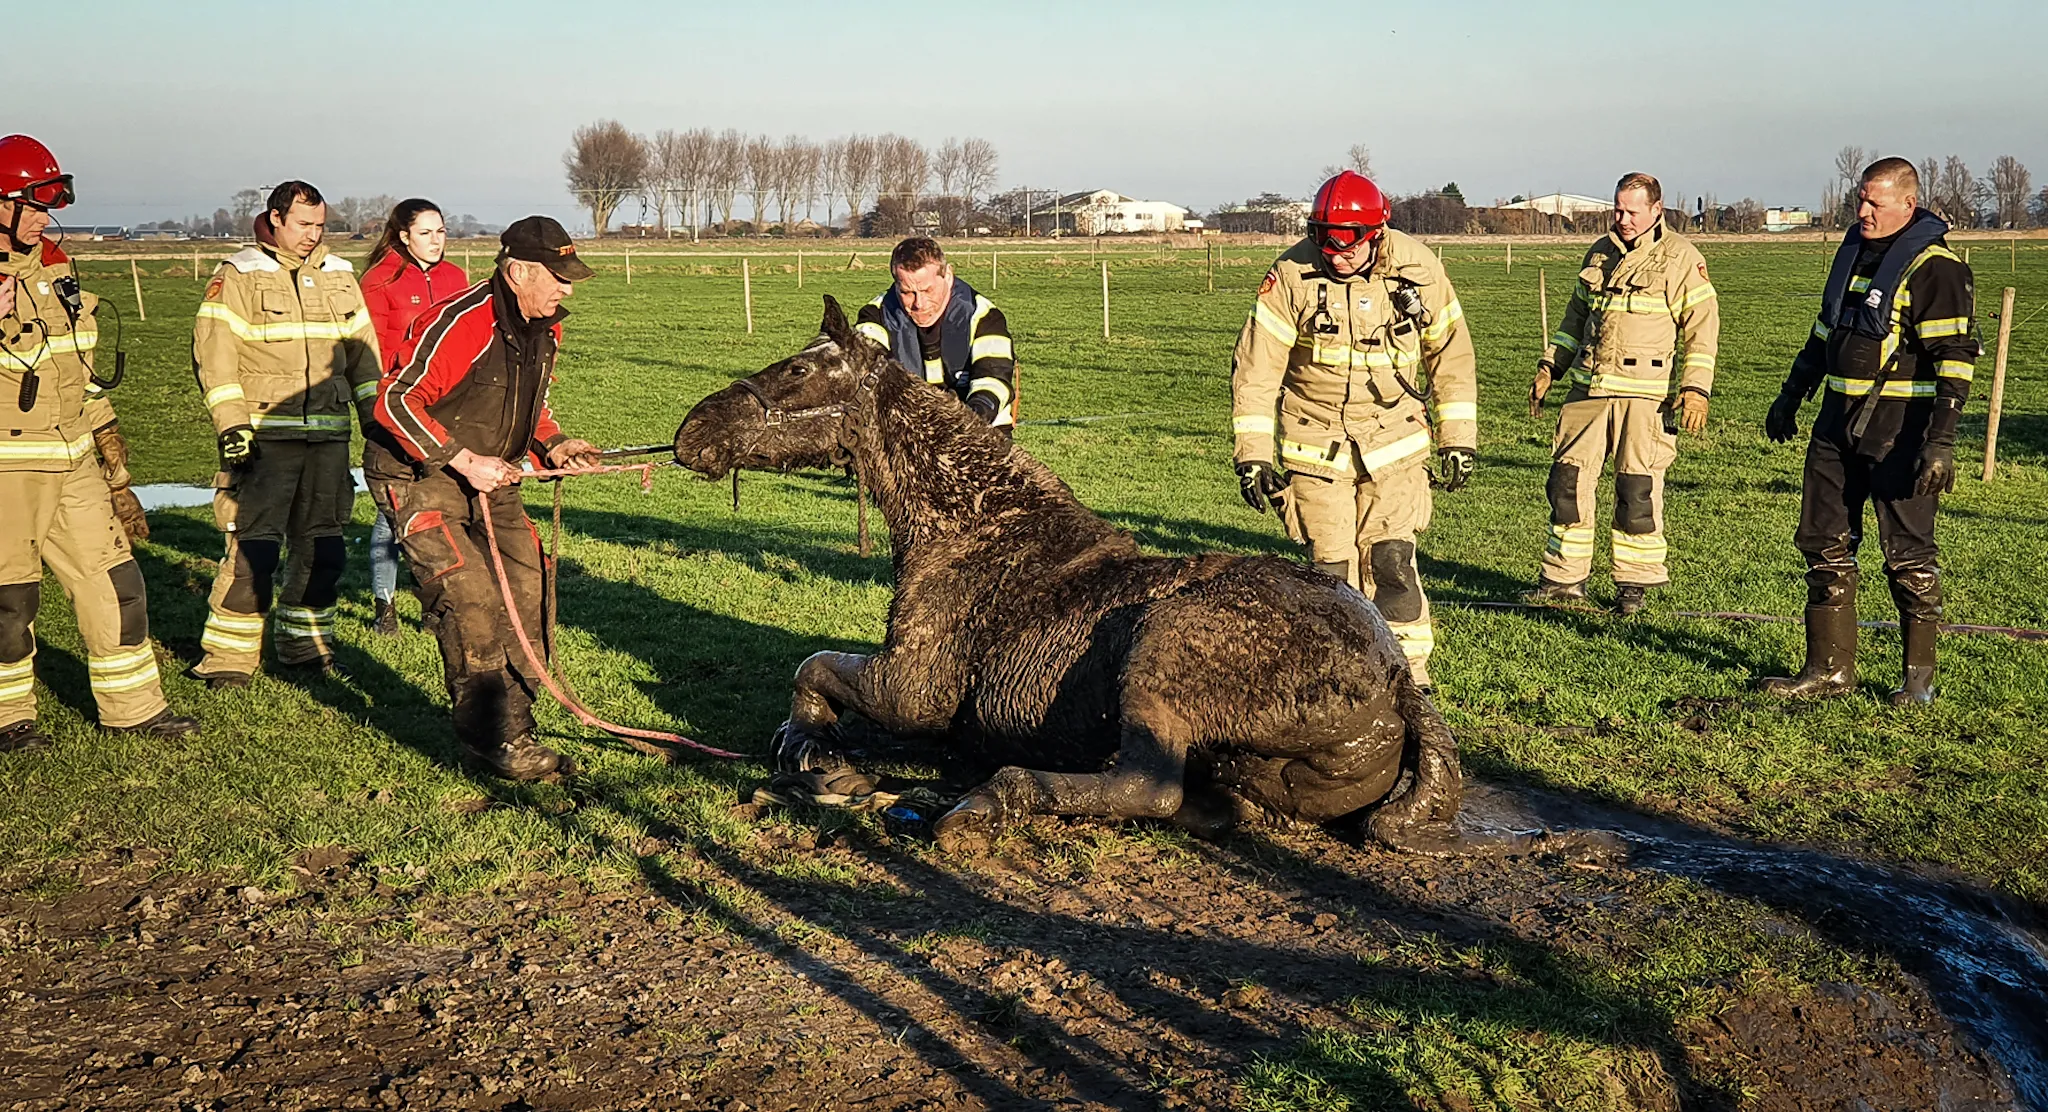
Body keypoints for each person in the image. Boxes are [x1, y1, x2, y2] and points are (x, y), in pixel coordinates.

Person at [367, 216, 600, 780]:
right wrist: (465, 462)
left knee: (527, 588)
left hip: (495, 479)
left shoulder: (547, 329)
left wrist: (555, 443)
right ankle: (490, 741)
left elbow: (530, 409)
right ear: (517, 271)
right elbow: (395, 403)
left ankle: (517, 730)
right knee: (470, 599)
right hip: (419, 475)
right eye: (558, 278)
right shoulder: (461, 323)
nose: (567, 289)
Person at [1230, 171, 1478, 689]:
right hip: (1315, 443)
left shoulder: (1419, 270)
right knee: (1330, 574)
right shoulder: (1292, 275)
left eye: (1347, 244)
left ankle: (1410, 679)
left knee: (1391, 561)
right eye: (1323, 240)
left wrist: (1458, 439)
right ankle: (1336, 679)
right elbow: (1256, 368)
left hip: (1395, 441)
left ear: (1376, 235)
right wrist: (1252, 454)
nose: (1334, 255)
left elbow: (1450, 354)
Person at [0, 134, 197, 749]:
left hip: (74, 458)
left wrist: (113, 453)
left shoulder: (56, 266)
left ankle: (134, 709)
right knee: (10, 600)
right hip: (8, 471)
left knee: (118, 583)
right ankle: (9, 719)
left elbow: (74, 368)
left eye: (50, 202)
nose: (42, 217)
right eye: (31, 203)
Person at [1760, 158, 1977, 706]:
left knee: (1908, 554)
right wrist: (1791, 394)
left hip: (1901, 429)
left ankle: (1917, 682)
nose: (1863, 212)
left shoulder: (1937, 268)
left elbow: (1955, 357)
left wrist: (1941, 440)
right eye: (1860, 200)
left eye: (1875, 203)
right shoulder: (1853, 254)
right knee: (1823, 543)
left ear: (1908, 203)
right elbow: (1824, 330)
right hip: (1836, 422)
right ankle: (1827, 672)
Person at [190, 181, 380, 687]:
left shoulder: (340, 274)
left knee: (325, 551)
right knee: (256, 551)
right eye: (303, 225)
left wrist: (374, 419)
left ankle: (306, 649)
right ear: (274, 218)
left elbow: (363, 352)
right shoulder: (239, 273)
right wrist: (232, 426)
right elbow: (215, 353)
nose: (313, 236)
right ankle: (228, 660)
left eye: (320, 225)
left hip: (329, 439)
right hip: (264, 439)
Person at [1525, 172, 1720, 614]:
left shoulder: (1681, 258)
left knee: (1637, 491)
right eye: (1618, 209)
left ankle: (1633, 587)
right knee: (1566, 485)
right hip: (1587, 391)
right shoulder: (1600, 252)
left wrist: (1695, 390)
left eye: (1632, 211)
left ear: (1657, 209)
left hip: (1645, 398)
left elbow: (1703, 331)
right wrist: (1549, 367)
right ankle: (1562, 580)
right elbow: (1575, 317)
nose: (1623, 219)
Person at [360, 198, 467, 636]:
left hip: (445, 410)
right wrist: (378, 411)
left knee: (441, 506)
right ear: (404, 236)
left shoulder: (456, 277)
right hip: (396, 409)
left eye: (441, 231)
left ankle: (435, 604)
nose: (436, 240)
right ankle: (384, 604)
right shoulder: (378, 281)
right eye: (425, 233)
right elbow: (369, 352)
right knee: (393, 512)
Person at [854, 237, 1016, 432]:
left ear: (948, 276)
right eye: (907, 292)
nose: (919, 303)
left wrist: (964, 425)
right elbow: (864, 377)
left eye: (927, 290)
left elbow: (994, 382)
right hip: (904, 430)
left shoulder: (984, 316)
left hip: (979, 428)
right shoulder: (875, 317)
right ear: (896, 284)